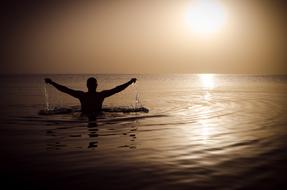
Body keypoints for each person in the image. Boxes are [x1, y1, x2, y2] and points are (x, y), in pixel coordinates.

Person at [44, 77, 137, 119]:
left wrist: (52, 83)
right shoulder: (100, 95)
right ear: (96, 85)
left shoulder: (82, 95)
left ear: (87, 85)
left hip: (83, 115)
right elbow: (117, 89)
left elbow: (65, 89)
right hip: (98, 115)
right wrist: (129, 82)